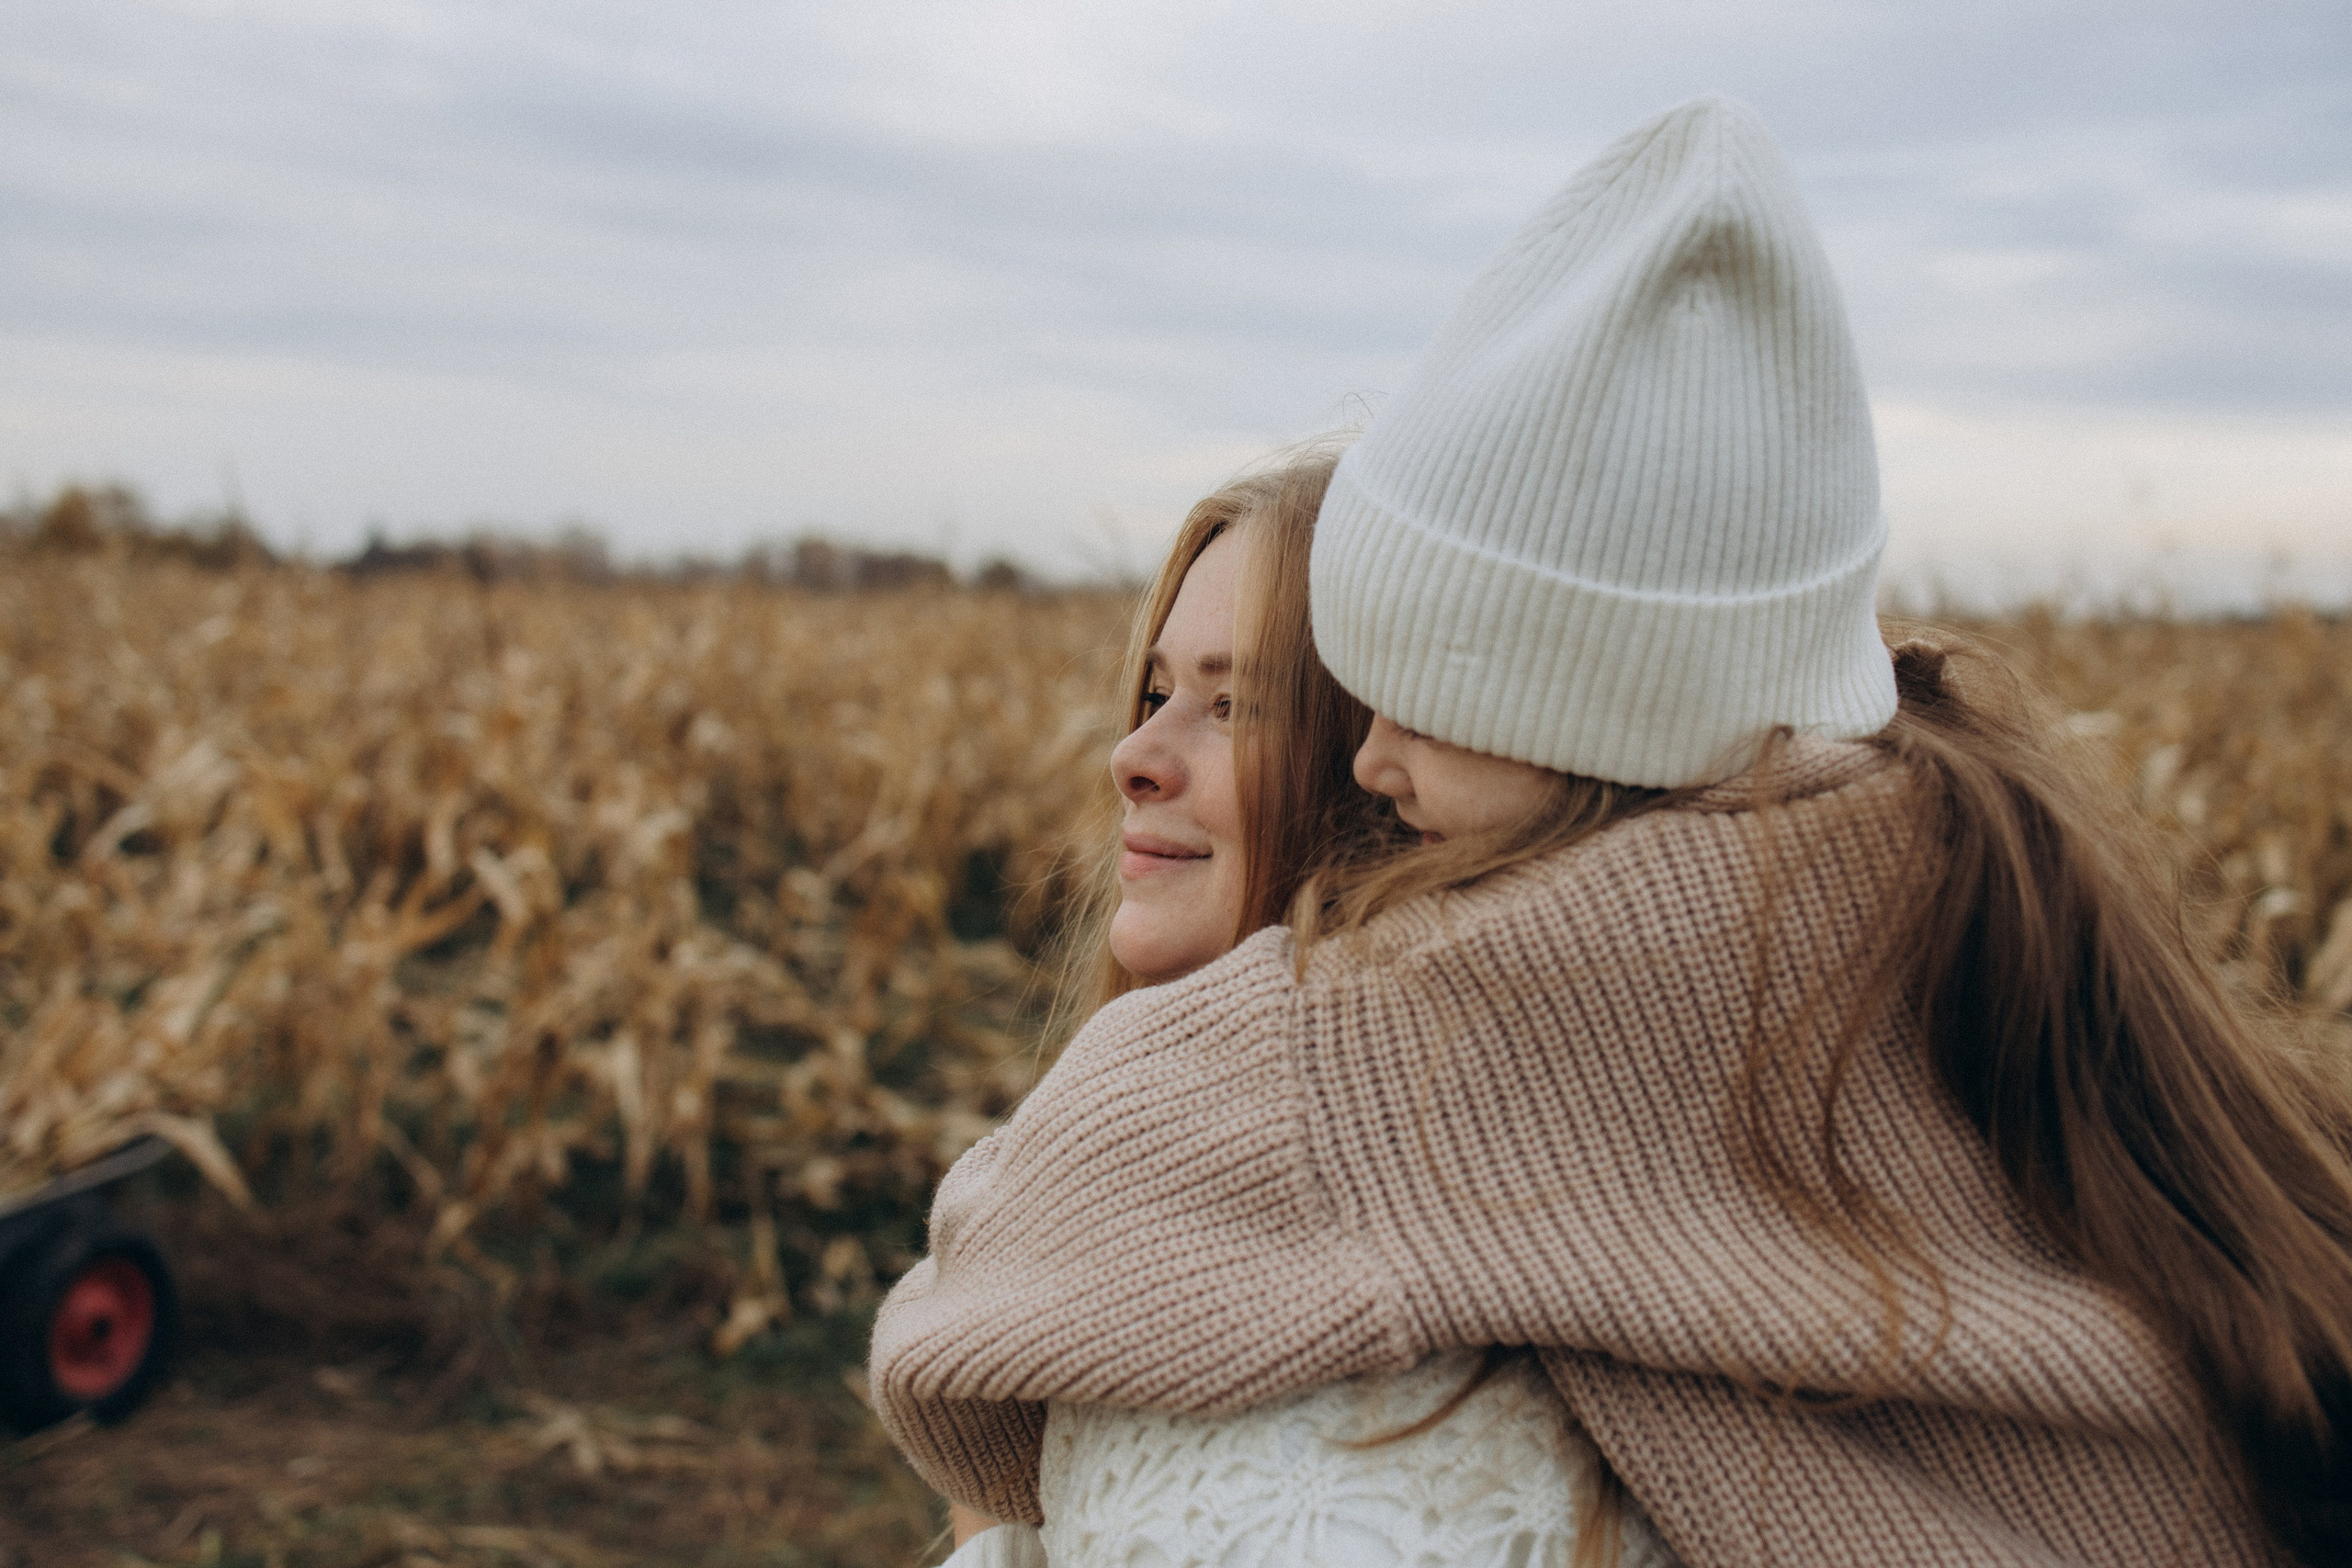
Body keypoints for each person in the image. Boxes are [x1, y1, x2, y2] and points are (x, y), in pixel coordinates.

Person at [878, 96, 2352, 1567]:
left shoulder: (1374, 1060)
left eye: (1251, 701)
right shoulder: (1975, 911)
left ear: (1577, 726)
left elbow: (973, 1337)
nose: (1376, 751)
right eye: (1153, 690)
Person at [942, 446, 1666, 1565]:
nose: (1133, 755)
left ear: (1388, 769)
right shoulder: (1095, 1178)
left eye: (1233, 706)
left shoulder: (1401, 1402)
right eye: (1154, 692)